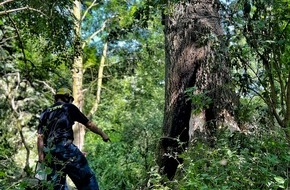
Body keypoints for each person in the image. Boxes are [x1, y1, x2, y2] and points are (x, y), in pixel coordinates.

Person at [37, 87, 109, 190]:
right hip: (66, 149)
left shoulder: (45, 112)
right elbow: (88, 124)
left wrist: (41, 157)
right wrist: (103, 134)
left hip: (49, 153)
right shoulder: (68, 107)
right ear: (67, 98)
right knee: (87, 179)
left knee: (57, 186)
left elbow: (40, 137)